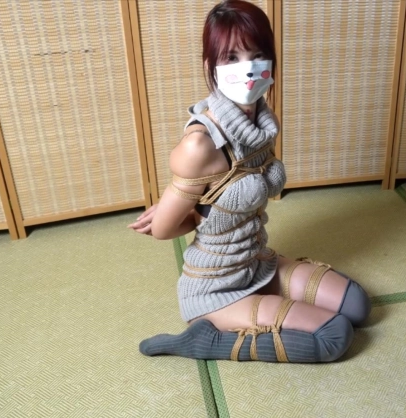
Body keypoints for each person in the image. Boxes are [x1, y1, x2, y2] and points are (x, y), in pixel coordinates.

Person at [129, 0, 370, 363]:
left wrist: (201, 207)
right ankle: (204, 340)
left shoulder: (262, 124)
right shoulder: (199, 145)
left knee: (358, 306)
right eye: (232, 57)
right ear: (210, 66)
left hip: (257, 262)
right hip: (216, 286)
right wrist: (187, 209)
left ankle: (269, 300)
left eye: (257, 55)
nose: (248, 68)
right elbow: (163, 229)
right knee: (335, 335)